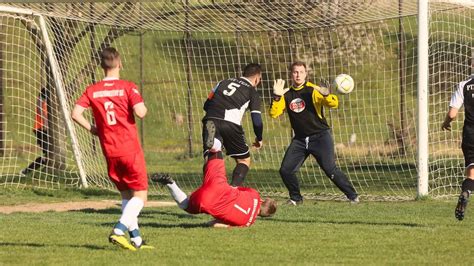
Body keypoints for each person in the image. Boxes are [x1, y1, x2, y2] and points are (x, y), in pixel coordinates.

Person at [71, 47, 152, 250]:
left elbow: (75, 113)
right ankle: (118, 230)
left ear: (101, 66)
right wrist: (141, 105)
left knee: (126, 195)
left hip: (109, 151)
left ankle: (136, 240)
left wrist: (94, 130)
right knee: (140, 195)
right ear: (120, 63)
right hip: (129, 149)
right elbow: (140, 112)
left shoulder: (92, 90)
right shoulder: (127, 87)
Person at [270, 61, 358, 205]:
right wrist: (276, 97)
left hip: (320, 136)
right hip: (299, 140)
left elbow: (334, 104)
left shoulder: (313, 90)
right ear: (291, 74)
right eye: (295, 72)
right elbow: (274, 113)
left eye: (301, 72)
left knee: (330, 169)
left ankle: (353, 196)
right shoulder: (285, 94)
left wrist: (327, 95)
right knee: (285, 170)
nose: (298, 75)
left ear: (306, 74)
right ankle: (296, 199)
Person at [152, 139, 276, 228]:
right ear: (263, 216)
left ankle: (216, 139)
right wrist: (209, 222)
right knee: (185, 205)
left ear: (263, 201)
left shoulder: (254, 194)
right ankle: (170, 183)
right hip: (207, 201)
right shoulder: (246, 223)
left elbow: (235, 188)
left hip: (219, 185)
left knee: (215, 153)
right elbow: (216, 225)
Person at [202, 63, 263, 187]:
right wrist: (259, 138)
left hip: (210, 119)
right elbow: (257, 120)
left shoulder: (222, 82)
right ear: (257, 79)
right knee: (244, 160)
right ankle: (233, 189)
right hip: (230, 123)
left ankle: (215, 145)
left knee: (212, 156)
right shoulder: (252, 92)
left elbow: (206, 105)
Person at [442, 74, 474, 221]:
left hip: (469, 134)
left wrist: (446, 122)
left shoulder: (464, 84)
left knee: (471, 175)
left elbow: (452, 114)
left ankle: (466, 191)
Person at [20, 87, 51, 176]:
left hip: (45, 129)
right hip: (41, 129)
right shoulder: (41, 99)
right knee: (48, 154)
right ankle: (26, 171)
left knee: (49, 155)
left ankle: (26, 171)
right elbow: (39, 106)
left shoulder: (50, 103)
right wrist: (45, 123)